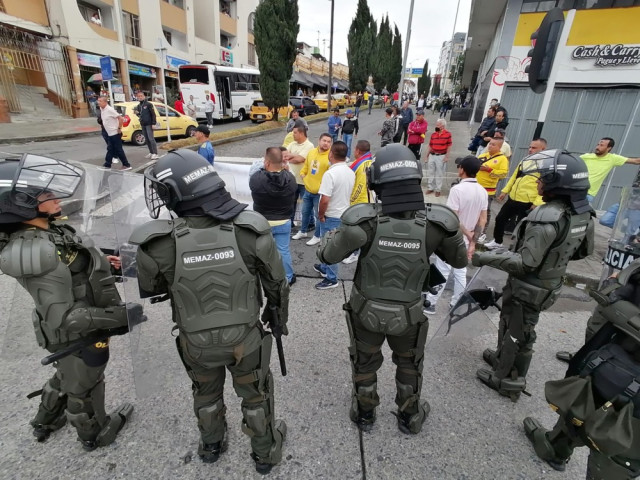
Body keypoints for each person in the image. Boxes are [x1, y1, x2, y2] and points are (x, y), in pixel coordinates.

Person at [129, 150, 289, 473]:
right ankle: (264, 454)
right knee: (256, 396)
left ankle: (212, 445)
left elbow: (154, 287)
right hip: (245, 338)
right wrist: (278, 321)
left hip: (196, 342)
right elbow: (277, 286)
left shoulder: (156, 244)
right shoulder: (251, 229)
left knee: (205, 394)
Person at [317, 143, 467, 433]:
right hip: (409, 313)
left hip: (366, 311)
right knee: (410, 364)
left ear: (376, 181)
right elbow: (459, 260)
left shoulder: (364, 219)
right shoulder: (437, 222)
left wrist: (337, 235)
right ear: (417, 176)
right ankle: (410, 417)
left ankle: (365, 414)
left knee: (365, 362)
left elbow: (326, 256)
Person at [0, 155, 138, 450]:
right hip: (79, 330)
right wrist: (121, 316)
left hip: (80, 320)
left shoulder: (46, 231)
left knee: (67, 373)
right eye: (46, 194)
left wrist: (102, 262)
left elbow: (72, 260)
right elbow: (65, 318)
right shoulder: (36, 249)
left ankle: (45, 420)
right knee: (84, 384)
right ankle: (94, 433)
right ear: (20, 204)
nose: (56, 196)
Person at [473, 149, 595, 401]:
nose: (537, 182)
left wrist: (480, 257)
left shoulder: (546, 216)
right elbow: (583, 251)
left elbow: (524, 262)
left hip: (528, 285)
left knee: (519, 331)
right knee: (515, 325)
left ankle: (507, 380)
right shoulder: (582, 214)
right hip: (549, 283)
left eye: (542, 179)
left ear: (556, 185)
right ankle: (501, 359)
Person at [523, 258, 640, 479]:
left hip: (615, 361)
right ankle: (555, 448)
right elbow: (609, 296)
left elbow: (608, 300)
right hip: (613, 357)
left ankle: (556, 448)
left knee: (618, 453)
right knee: (584, 404)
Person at [425, 156, 488, 314]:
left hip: (452, 237)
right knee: (461, 271)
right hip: (470, 239)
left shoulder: (457, 190)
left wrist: (466, 233)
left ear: (462, 170)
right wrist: (472, 241)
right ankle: (456, 302)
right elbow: (482, 220)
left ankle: (431, 303)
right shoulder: (482, 191)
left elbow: (452, 217)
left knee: (442, 269)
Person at [484, 138, 547, 250]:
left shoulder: (545, 164)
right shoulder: (525, 160)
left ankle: (519, 248)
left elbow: (545, 184)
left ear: (543, 149)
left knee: (522, 226)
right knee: (500, 218)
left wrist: (537, 202)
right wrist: (505, 191)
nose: (530, 149)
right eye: (530, 147)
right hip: (513, 197)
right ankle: (498, 242)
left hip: (528, 201)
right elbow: (514, 176)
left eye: (534, 148)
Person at [250, 147, 298, 286]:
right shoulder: (290, 178)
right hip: (283, 221)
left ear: (267, 162)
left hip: (262, 222)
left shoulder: (256, 179)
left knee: (262, 250)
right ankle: (288, 277)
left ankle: (265, 276)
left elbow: (254, 173)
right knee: (283, 250)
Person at [313, 141, 355, 290]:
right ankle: (325, 268)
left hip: (331, 215)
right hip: (343, 212)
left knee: (330, 247)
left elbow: (325, 199)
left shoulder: (330, 174)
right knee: (331, 245)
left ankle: (332, 278)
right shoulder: (350, 171)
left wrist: (321, 215)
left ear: (331, 154)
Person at [292, 133, 332, 246]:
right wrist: (303, 174)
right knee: (305, 212)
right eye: (324, 140)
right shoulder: (312, 152)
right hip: (308, 190)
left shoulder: (330, 156)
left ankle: (317, 236)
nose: (326, 143)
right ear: (319, 141)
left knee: (318, 215)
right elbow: (306, 166)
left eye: (329, 142)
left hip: (320, 193)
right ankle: (303, 231)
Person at [341, 140, 374, 265]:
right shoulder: (369, 161)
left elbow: (360, 186)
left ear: (358, 151)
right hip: (367, 201)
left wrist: (352, 201)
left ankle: (355, 253)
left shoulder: (361, 166)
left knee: (357, 230)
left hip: (360, 203)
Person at [580, 137, 640, 203]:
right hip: (575, 190)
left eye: (601, 145)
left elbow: (636, 161)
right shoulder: (586, 156)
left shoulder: (612, 158)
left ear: (609, 148)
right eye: (598, 144)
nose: (597, 147)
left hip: (588, 195)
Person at [476, 137, 509, 240]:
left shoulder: (502, 159)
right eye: (490, 144)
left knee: (485, 211)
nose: (490, 146)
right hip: (476, 187)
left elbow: (503, 174)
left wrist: (489, 169)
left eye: (493, 144)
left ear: (499, 147)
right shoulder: (482, 156)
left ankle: (482, 232)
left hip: (488, 190)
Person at [283, 124, 314, 228]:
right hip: (292, 180)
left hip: (303, 181)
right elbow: (284, 156)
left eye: (295, 132)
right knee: (290, 203)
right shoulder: (292, 144)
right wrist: (294, 156)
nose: (293, 134)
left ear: (301, 133)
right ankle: (290, 222)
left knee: (306, 204)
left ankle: (310, 223)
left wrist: (291, 156)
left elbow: (300, 159)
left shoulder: (309, 146)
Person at [97, 96, 132, 170]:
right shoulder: (102, 109)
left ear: (105, 102)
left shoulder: (110, 109)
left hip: (115, 133)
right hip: (109, 133)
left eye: (100, 101)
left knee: (118, 150)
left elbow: (121, 118)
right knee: (110, 149)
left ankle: (126, 165)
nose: (98, 102)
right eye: (98, 101)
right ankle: (107, 165)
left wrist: (119, 128)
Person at [424, 118, 453, 196]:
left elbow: (449, 146)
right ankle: (430, 187)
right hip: (432, 155)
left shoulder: (448, 134)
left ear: (442, 126)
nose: (436, 126)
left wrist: (447, 156)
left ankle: (438, 189)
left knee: (439, 173)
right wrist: (426, 156)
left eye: (438, 125)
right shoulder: (433, 134)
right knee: (431, 172)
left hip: (441, 156)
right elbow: (430, 146)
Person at [134, 91, 159, 160]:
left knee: (151, 139)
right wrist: (137, 113)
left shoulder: (148, 104)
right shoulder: (138, 106)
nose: (140, 97)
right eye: (138, 96)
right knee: (147, 139)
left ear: (144, 96)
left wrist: (153, 123)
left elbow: (153, 114)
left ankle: (155, 153)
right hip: (143, 124)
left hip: (149, 124)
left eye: (141, 96)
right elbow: (140, 115)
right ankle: (151, 152)